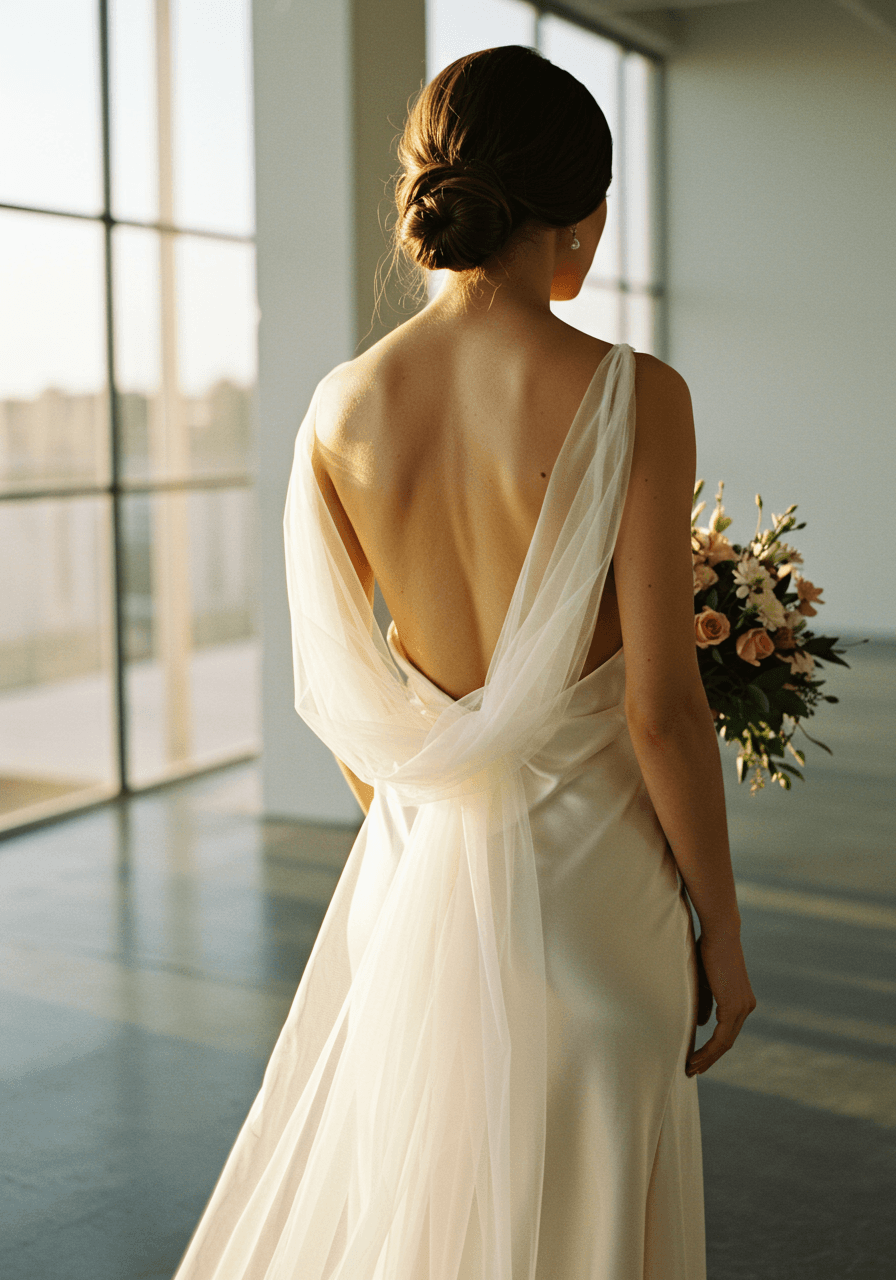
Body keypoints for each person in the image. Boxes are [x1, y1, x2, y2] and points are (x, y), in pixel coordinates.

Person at [172, 44, 756, 1280]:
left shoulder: (339, 406)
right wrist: (723, 933)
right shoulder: (632, 393)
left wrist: (434, 846)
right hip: (600, 905)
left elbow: (346, 700)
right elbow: (659, 707)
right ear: (578, 220)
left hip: (412, 889)